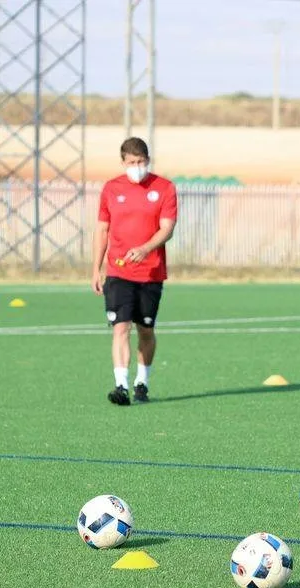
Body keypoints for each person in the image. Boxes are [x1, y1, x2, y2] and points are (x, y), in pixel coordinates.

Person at [91, 137, 178, 405]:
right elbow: (102, 230)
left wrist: (144, 248)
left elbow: (167, 228)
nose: (136, 167)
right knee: (120, 327)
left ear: (148, 161)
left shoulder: (164, 188)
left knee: (145, 331)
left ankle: (142, 381)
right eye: (131, 162)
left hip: (151, 272)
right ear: (123, 162)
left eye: (141, 162)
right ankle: (121, 386)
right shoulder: (111, 189)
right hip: (118, 271)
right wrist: (96, 268)